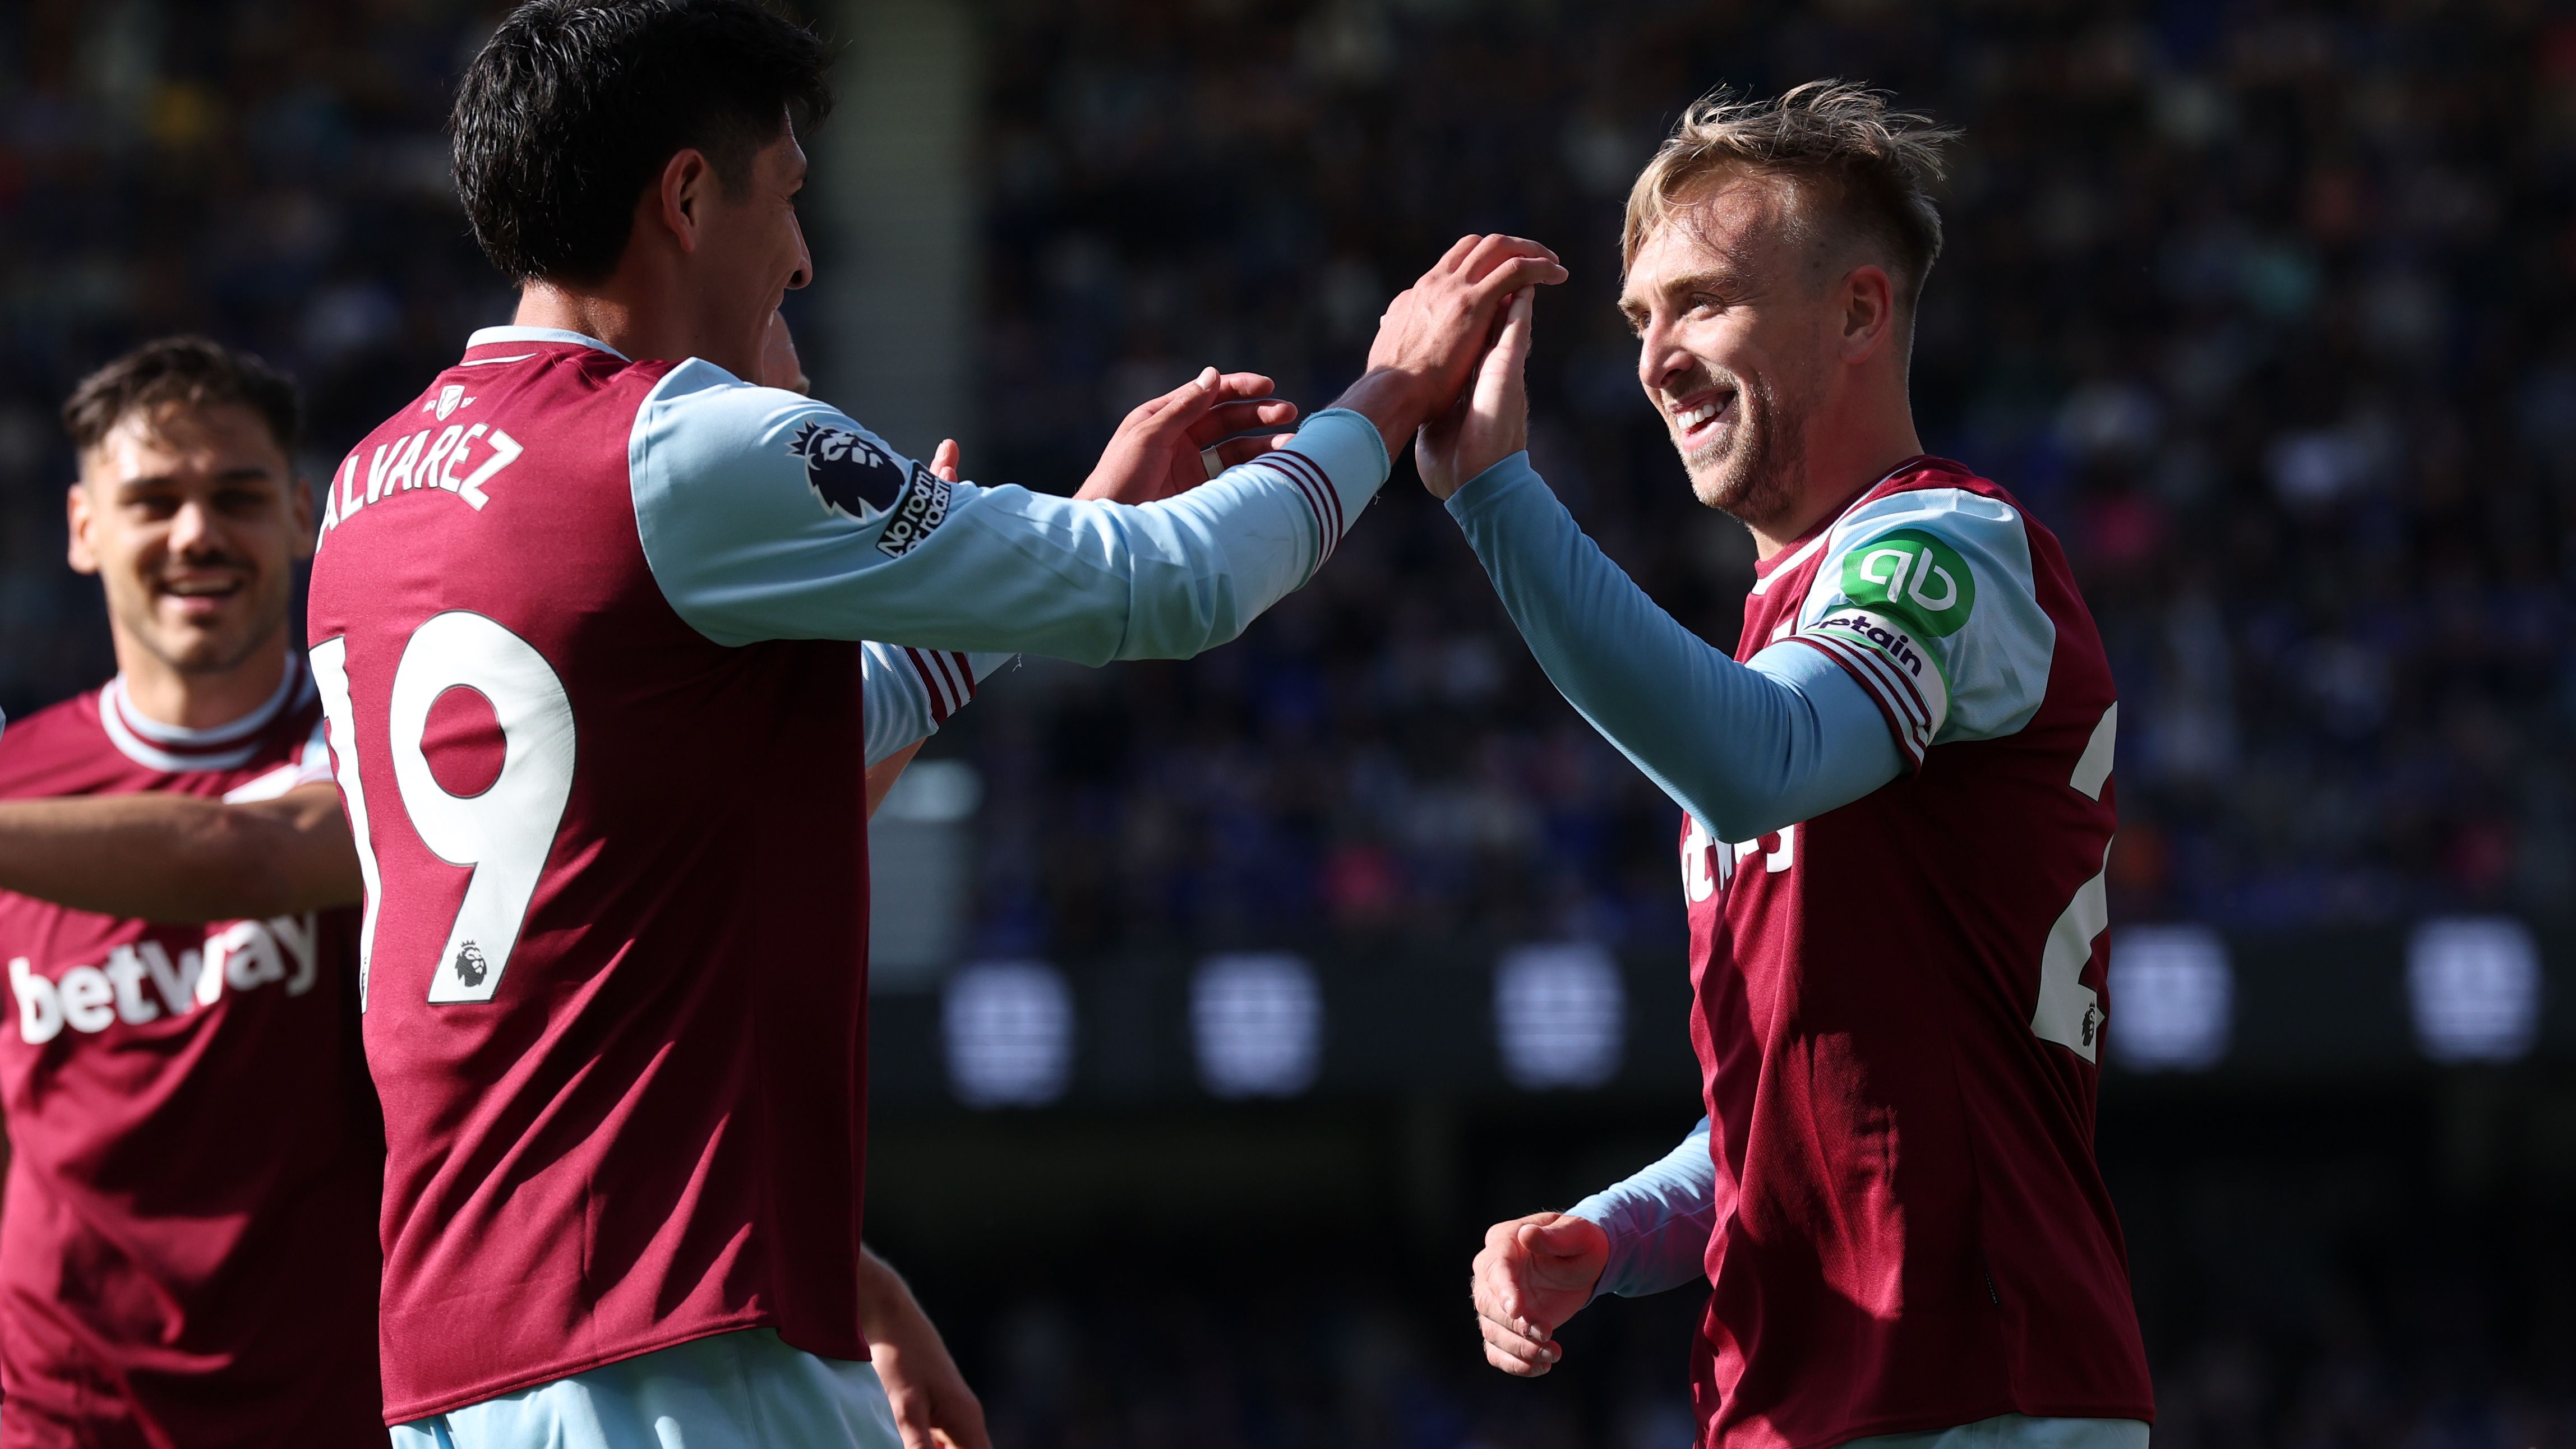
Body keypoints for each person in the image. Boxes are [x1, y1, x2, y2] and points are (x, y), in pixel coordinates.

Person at [309, 3, 1562, 1446]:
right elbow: (1181, 587)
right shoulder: (682, 440)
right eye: (784, 195)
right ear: (686, 196)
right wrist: (1388, 393)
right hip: (672, 1338)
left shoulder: (368, 491)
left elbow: (734, 765)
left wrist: (1071, 534)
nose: (801, 255)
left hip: (457, 1357)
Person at [1442, 85, 2152, 1449]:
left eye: (1702, 300)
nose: (1656, 358)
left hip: (1977, 1394)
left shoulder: (1947, 547)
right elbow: (1798, 1113)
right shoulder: (1771, 651)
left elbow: (1757, 760)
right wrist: (1609, 1229)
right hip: (1789, 1401)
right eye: (1639, 318)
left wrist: (1492, 493)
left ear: (1857, 312)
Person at [0, 337, 382, 1446]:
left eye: (238, 495)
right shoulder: (17, 790)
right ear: (83, 529)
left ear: (305, 514)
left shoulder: (388, 743)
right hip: (63, 1411)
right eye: (153, 499)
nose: (197, 533)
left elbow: (234, 854)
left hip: (340, 1405)